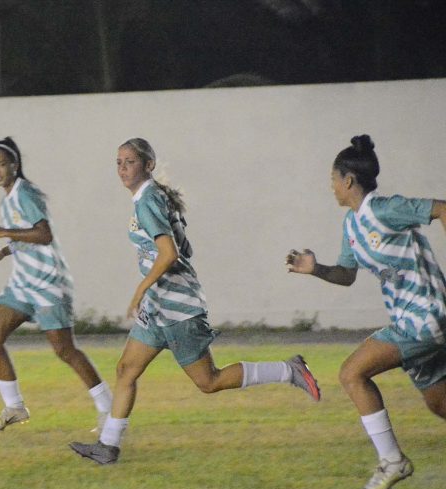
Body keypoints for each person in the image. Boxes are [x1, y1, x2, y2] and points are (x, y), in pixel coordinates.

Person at [70, 138, 321, 465]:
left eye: (129, 162)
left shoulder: (148, 200)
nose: (122, 168)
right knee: (126, 369)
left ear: (148, 165)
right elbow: (185, 249)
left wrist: (141, 287)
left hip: (178, 307)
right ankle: (108, 446)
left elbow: (170, 253)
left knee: (209, 381)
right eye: (118, 162)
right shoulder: (153, 198)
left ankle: (289, 370)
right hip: (159, 308)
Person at [286, 135, 446, 489]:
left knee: (351, 373)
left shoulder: (385, 209)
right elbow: (347, 274)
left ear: (348, 181)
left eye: (332, 179)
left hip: (424, 317)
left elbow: (442, 208)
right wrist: (315, 269)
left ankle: (392, 462)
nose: (330, 187)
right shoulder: (352, 225)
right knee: (439, 402)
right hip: (413, 320)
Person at [0, 136, 113, 432]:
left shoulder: (25, 193)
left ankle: (108, 408)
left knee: (65, 350)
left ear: (15, 166)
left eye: (2, 164)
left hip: (47, 283)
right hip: (22, 284)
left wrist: (3, 232)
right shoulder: (8, 199)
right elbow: (24, 236)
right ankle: (14, 407)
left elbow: (44, 235)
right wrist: (4, 251)